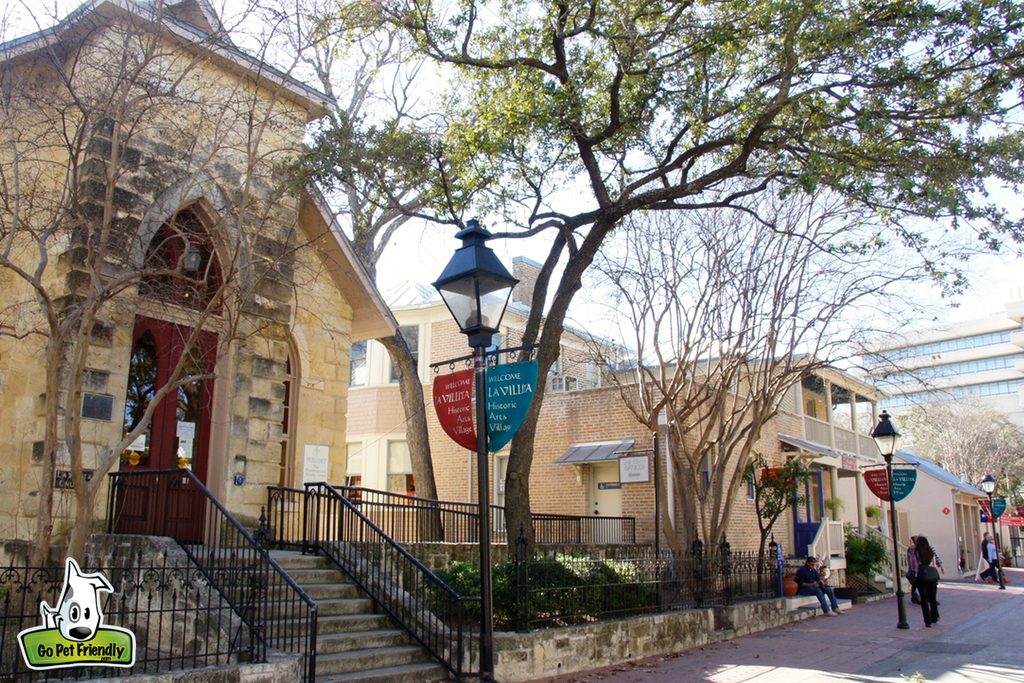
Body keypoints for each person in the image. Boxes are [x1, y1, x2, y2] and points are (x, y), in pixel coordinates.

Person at [908, 534, 943, 627]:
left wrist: (915, 572)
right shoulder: (930, 551)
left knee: (924, 599)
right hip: (932, 575)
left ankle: (927, 620)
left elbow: (912, 565)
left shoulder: (915, 552)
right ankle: (935, 617)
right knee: (932, 598)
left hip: (921, 576)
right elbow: (934, 563)